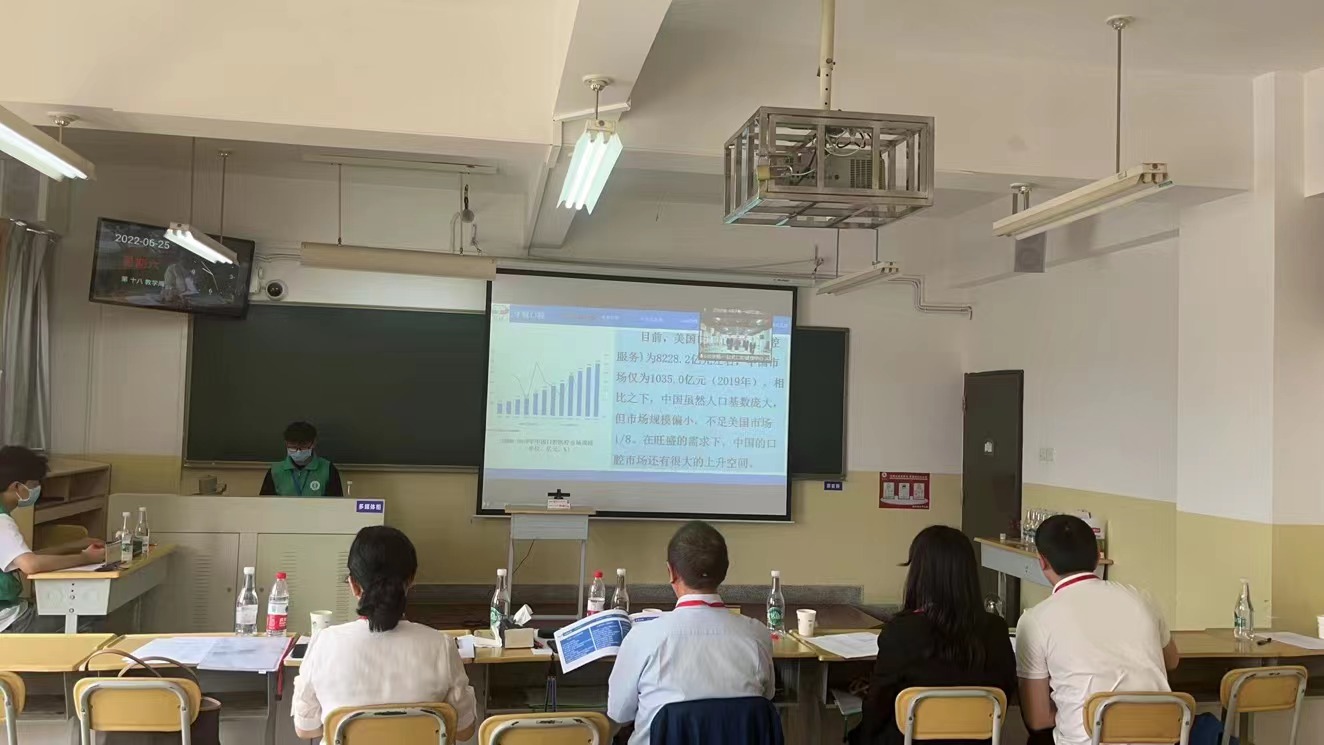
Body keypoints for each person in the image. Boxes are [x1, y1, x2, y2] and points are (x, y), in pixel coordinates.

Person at [292, 526, 475, 742]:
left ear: (353, 585)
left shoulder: (324, 643)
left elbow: (306, 729)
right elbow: (464, 730)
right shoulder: (441, 645)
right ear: (411, 580)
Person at [1017, 514, 1179, 745]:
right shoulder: (1142, 598)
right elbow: (1171, 661)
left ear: (1042, 561)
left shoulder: (1036, 619)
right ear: (1097, 556)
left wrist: (1076, 712)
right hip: (1161, 738)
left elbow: (1038, 719)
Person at [607, 520, 774, 745]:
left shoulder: (642, 638)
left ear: (671, 572)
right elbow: (766, 697)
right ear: (724, 571)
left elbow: (619, 713)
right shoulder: (757, 635)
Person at [849, 525, 1017, 745]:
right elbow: (1006, 690)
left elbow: (878, 704)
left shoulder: (902, 631)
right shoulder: (996, 629)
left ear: (921, 573)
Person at [0, 446, 106, 633]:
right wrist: (86, 558)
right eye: (33, 484)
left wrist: (73, 546)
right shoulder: (2, 521)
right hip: (9, 621)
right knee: (88, 611)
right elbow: (30, 565)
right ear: (16, 486)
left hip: (8, 612)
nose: (37, 489)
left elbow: (21, 557)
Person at [261, 421, 344, 497]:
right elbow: (263, 504)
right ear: (286, 443)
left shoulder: (328, 469)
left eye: (303, 445)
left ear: (313, 443)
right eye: (293, 446)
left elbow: (337, 504)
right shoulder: (275, 471)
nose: (298, 451)